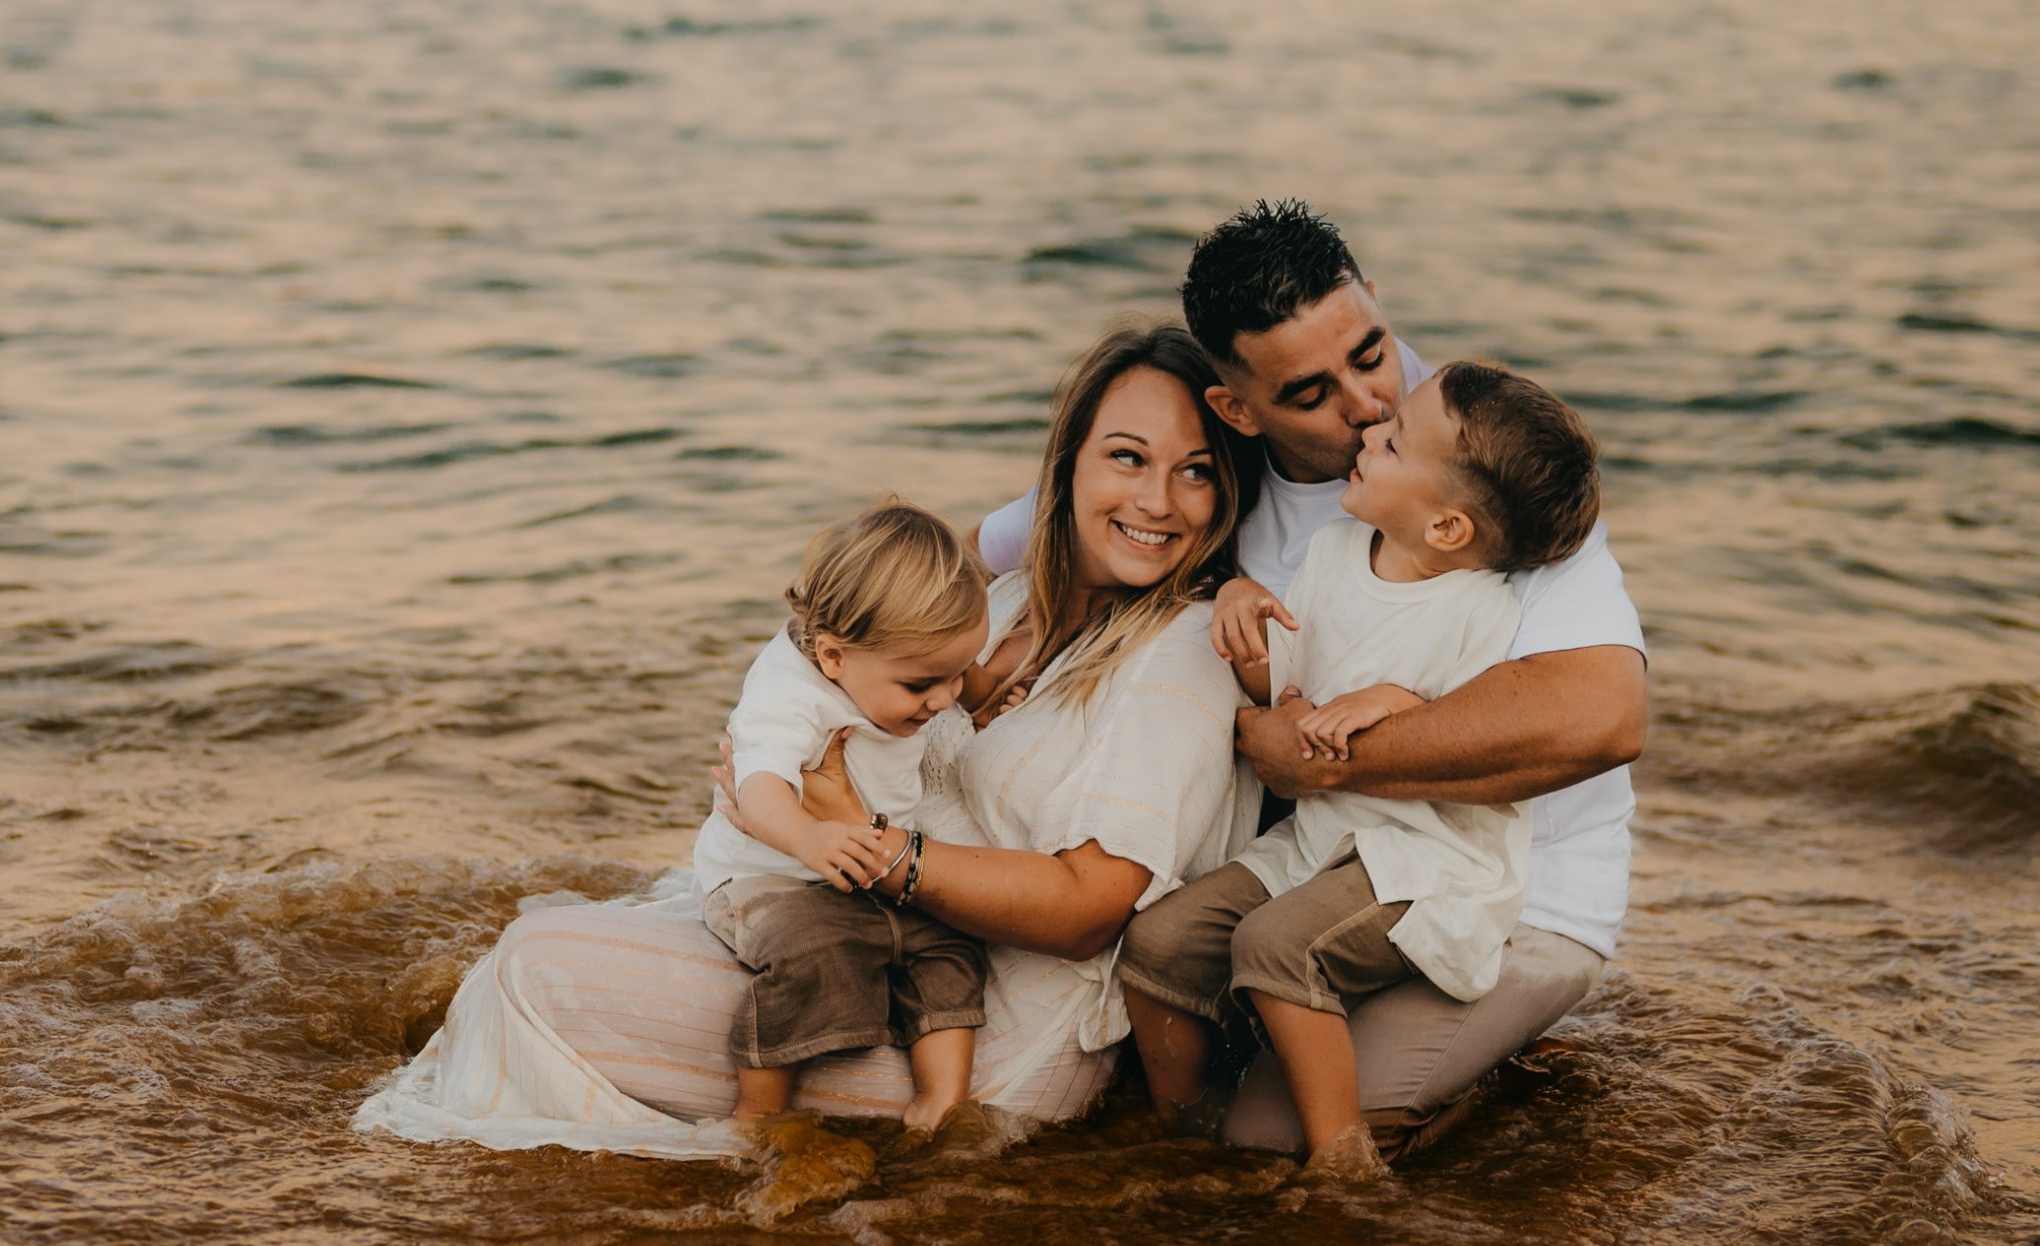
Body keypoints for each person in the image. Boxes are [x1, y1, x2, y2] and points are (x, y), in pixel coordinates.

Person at [356, 322, 1258, 1157]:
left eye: (1197, 471)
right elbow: (842, 644)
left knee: (537, 970)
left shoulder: (1183, 648)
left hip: (984, 1025)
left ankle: (680, 1194)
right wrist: (779, 777)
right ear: (1066, 467)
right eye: (1128, 457)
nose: (1158, 500)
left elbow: (1088, 907)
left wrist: (871, 844)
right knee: (541, 936)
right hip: (866, 933)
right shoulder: (1010, 602)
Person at [979, 200, 1647, 1156]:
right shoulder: (1213, 472)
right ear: (1237, 408)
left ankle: (1468, 1098)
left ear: (1374, 299)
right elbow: (1001, 551)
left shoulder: (1473, 457)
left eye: (1371, 353)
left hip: (1513, 895)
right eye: (1310, 393)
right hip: (1316, 869)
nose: (1368, 404)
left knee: (1269, 1140)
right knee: (1167, 1016)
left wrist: (1327, 759)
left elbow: (1603, 717)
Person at [1115, 361, 1604, 1163]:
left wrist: (1396, 700)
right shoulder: (1336, 552)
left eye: (1396, 439)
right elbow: (1287, 689)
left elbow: (1479, 733)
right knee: (1161, 941)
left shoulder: (1483, 612)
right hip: (1322, 842)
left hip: (1425, 861)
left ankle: (1343, 1158)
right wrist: (1238, 604)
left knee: (1273, 945)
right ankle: (1182, 1124)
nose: (1369, 431)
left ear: (1447, 528)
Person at [690, 500, 993, 1131]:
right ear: (832, 659)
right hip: (769, 873)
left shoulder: (885, 662)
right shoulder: (788, 692)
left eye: (958, 675)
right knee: (817, 948)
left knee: (951, 946)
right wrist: (808, 835)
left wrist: (990, 691)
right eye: (921, 686)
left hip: (871, 857)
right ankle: (759, 1113)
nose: (943, 700)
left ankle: (939, 1102)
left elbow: (949, 674)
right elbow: (761, 784)